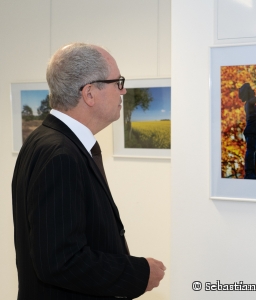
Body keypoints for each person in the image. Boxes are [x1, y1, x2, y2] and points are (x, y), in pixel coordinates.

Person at [11, 43, 165, 299]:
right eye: (118, 82)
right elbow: (61, 261)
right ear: (90, 93)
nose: (123, 90)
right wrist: (139, 272)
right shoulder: (60, 154)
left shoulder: (46, 140)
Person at [239, 82, 256, 179]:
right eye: (251, 90)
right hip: (252, 130)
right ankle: (249, 172)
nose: (253, 91)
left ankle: (252, 172)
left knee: (254, 152)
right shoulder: (249, 103)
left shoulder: (252, 105)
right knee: (251, 151)